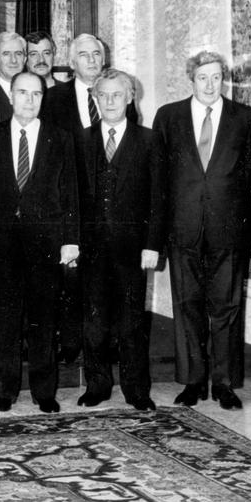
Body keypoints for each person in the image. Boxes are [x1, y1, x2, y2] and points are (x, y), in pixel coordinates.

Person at [153, 51, 251, 410]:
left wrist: (227, 194)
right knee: (188, 306)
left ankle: (224, 384)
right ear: (191, 79)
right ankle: (193, 381)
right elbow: (160, 174)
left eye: (216, 77)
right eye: (203, 78)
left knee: (227, 307)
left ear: (223, 78)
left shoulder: (245, 118)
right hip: (183, 228)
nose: (210, 85)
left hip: (228, 227)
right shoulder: (169, 116)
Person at [0, 72, 79, 413]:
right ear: (11, 96)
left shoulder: (59, 137)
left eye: (36, 94)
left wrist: (70, 240)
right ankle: (5, 390)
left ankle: (43, 391)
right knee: (4, 317)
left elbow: (71, 191)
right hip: (1, 240)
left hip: (45, 241)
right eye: (22, 92)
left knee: (42, 318)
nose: (29, 100)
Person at [42, 32, 138, 365]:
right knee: (70, 280)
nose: (92, 60)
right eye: (84, 55)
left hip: (111, 211)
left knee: (109, 286)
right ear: (72, 62)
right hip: (71, 205)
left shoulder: (120, 94)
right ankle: (70, 345)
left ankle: (106, 348)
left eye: (96, 53)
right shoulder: (53, 99)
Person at [76, 68, 164, 412]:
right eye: (103, 95)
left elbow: (159, 197)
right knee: (94, 322)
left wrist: (153, 244)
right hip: (92, 249)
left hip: (134, 249)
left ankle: (136, 389)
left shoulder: (149, 140)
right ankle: (97, 385)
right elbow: (73, 198)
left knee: (132, 322)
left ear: (131, 98)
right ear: (95, 100)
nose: (110, 101)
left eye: (117, 95)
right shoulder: (82, 140)